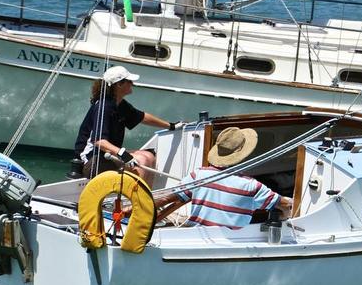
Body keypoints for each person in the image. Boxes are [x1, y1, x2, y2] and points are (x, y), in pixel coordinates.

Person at [154, 126, 292, 228]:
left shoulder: (199, 175)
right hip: (231, 246)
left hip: (196, 238)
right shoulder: (252, 186)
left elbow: (166, 199)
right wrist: (286, 211)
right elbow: (285, 206)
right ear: (244, 154)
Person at [73, 65, 177, 180]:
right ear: (119, 84)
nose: (133, 84)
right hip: (91, 161)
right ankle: (136, 198)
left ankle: (146, 196)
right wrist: (121, 153)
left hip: (106, 156)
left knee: (149, 156)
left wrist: (171, 125)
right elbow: (99, 141)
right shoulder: (104, 106)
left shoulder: (120, 104)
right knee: (142, 161)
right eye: (129, 81)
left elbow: (142, 117)